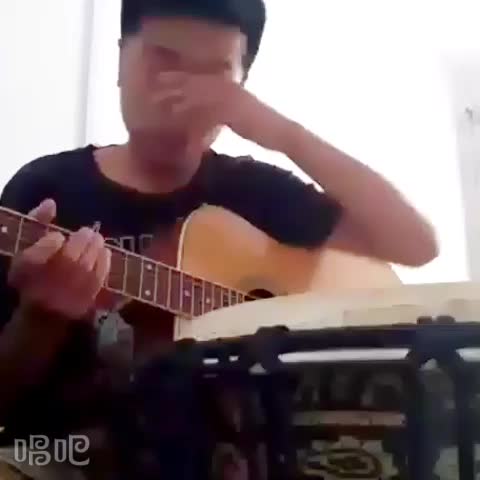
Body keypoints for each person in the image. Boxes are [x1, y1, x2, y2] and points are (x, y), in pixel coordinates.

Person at [0, 0, 438, 478]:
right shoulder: (46, 190)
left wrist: (283, 133)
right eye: (163, 60)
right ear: (121, 61)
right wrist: (40, 318)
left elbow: (415, 245)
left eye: (214, 76)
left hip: (254, 455)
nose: (182, 95)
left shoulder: (256, 193)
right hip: (68, 456)